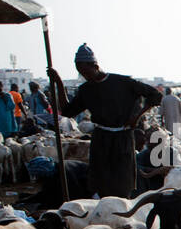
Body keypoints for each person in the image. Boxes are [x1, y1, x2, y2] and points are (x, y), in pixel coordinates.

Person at [47, 44, 162, 198]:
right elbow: (68, 111)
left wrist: (136, 117)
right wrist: (59, 83)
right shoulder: (87, 89)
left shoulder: (123, 82)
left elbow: (155, 96)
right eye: (81, 73)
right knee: (101, 182)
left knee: (122, 183)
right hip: (101, 139)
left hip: (123, 137)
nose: (84, 76)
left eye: (85, 71)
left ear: (95, 65)